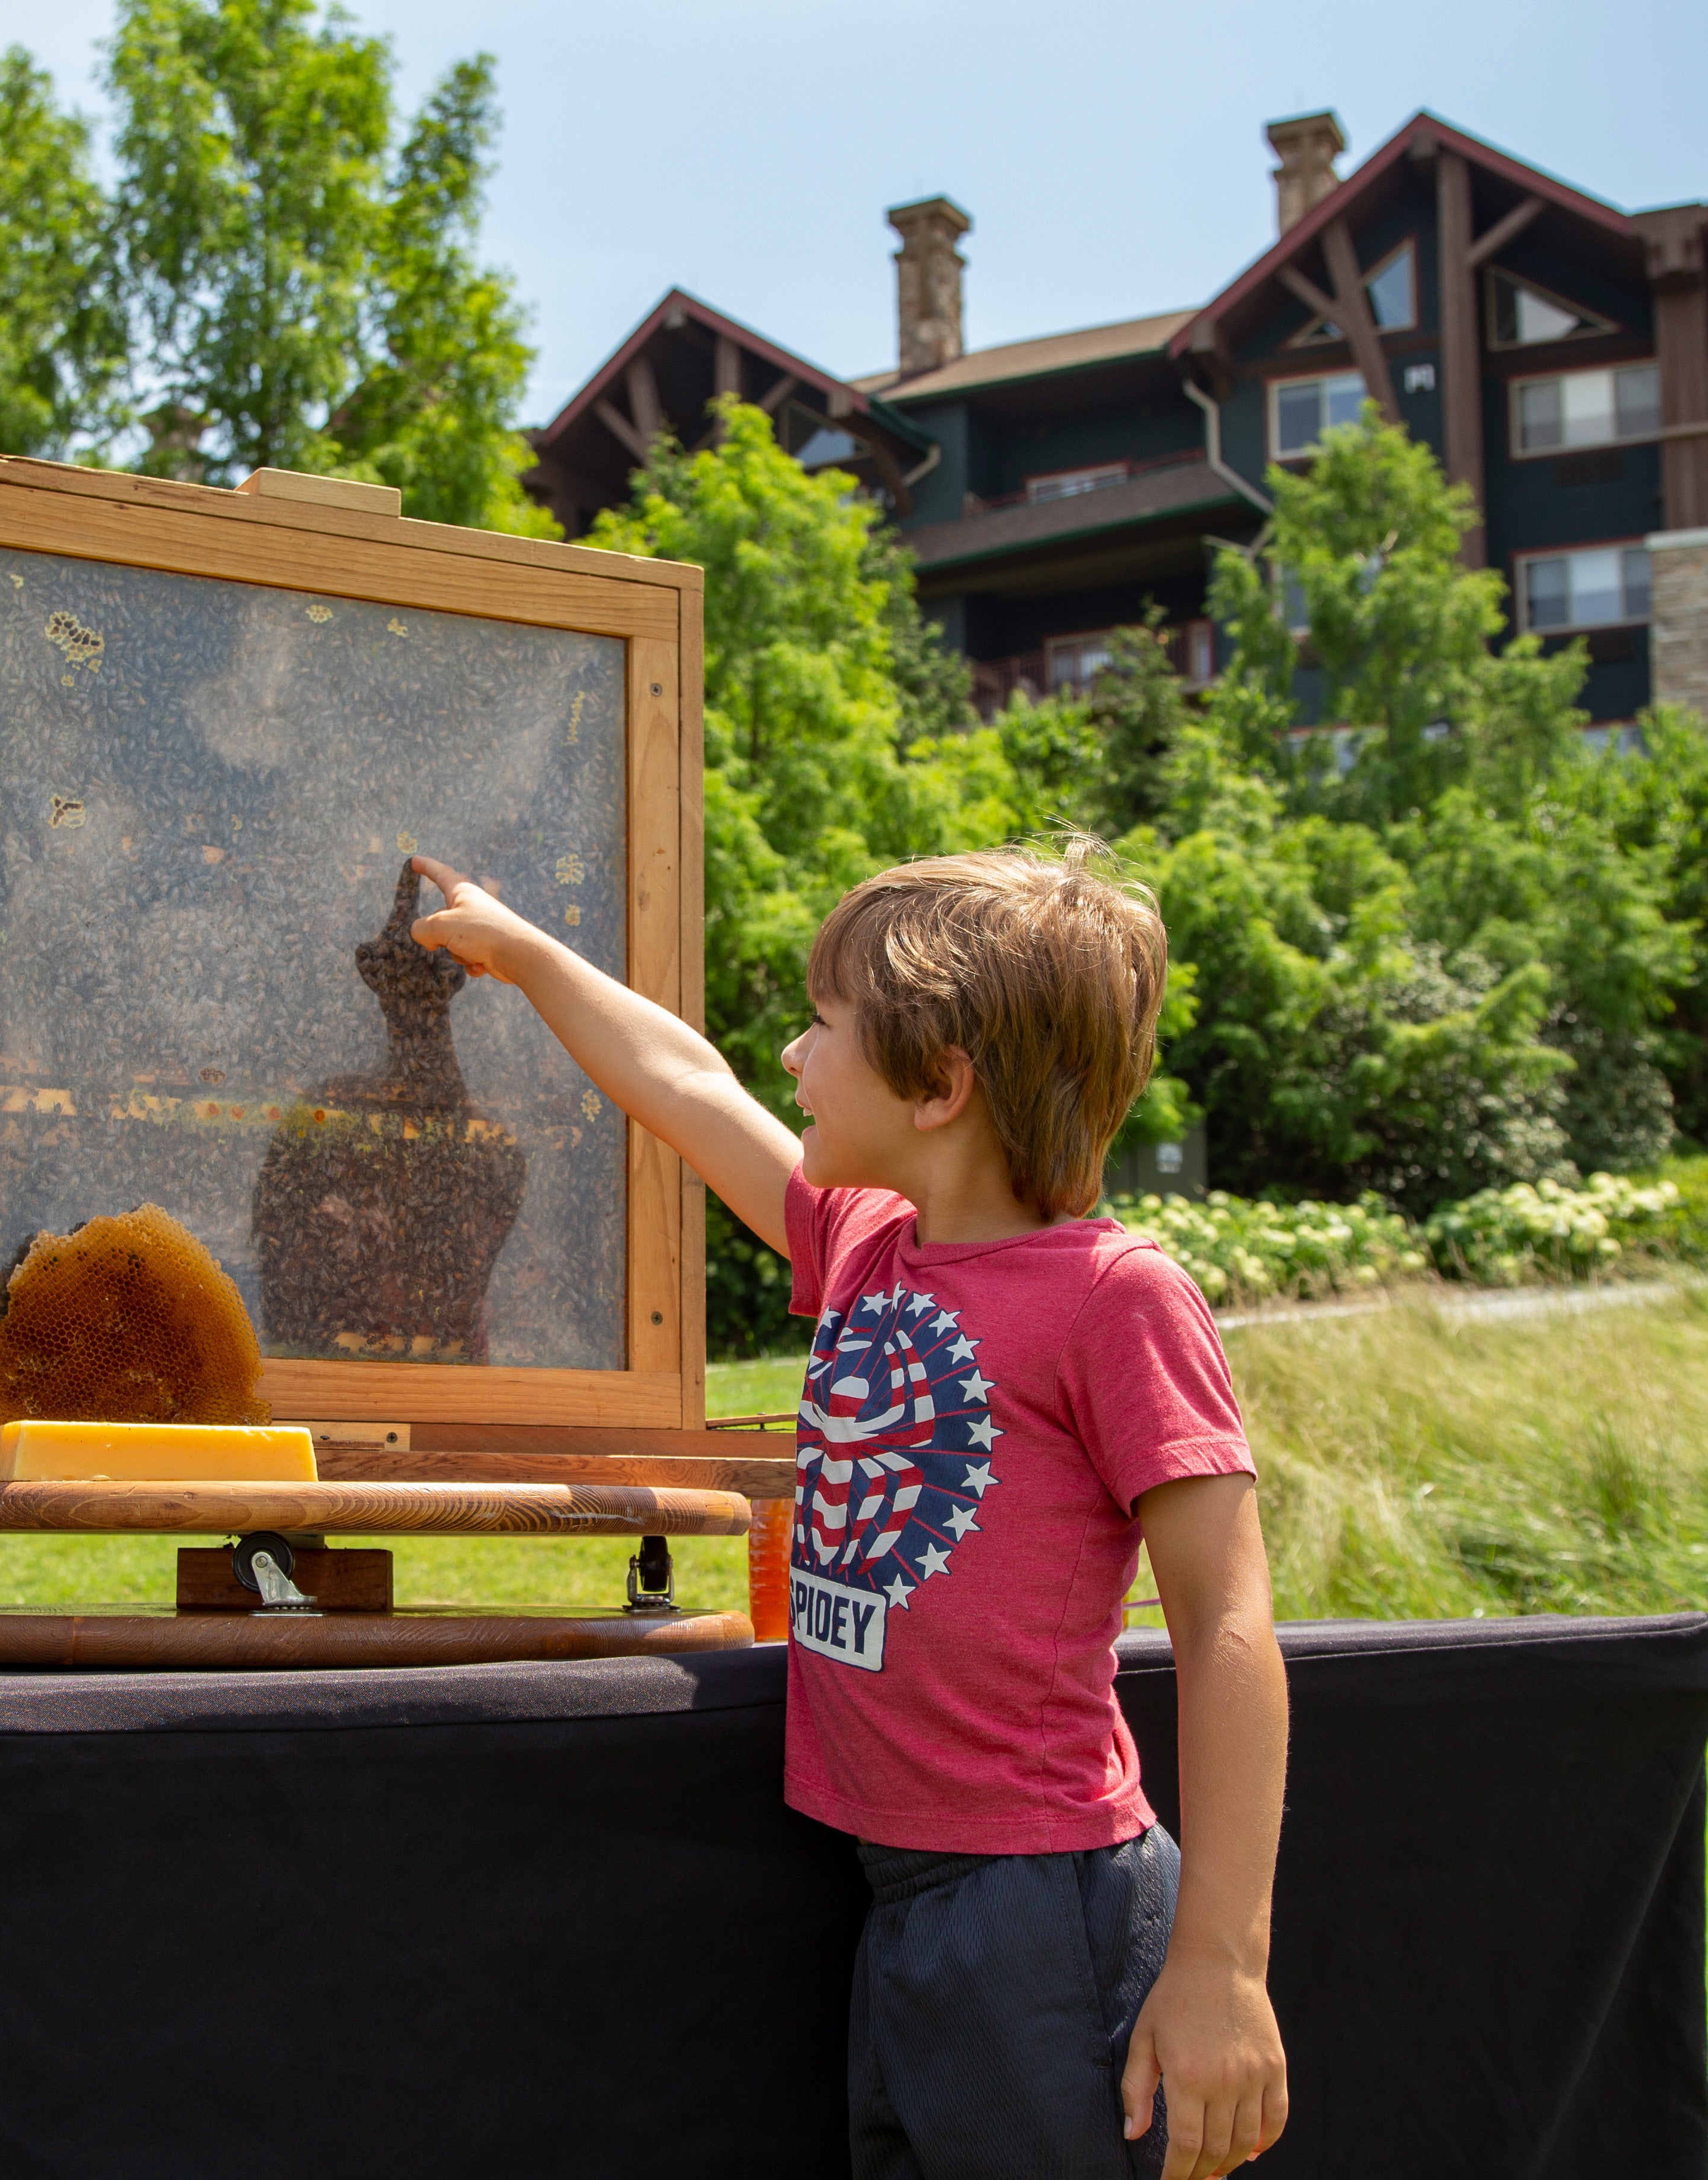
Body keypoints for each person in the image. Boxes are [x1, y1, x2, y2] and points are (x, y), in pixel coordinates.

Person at [406, 840, 1290, 2180]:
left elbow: (1229, 1620)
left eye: (825, 1030)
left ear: (941, 1084)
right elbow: (685, 1083)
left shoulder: (1116, 1298)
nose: (793, 1060)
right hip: (903, 1894)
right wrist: (523, 953)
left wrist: (1222, 1963)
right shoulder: (865, 1243)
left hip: (1040, 1903)